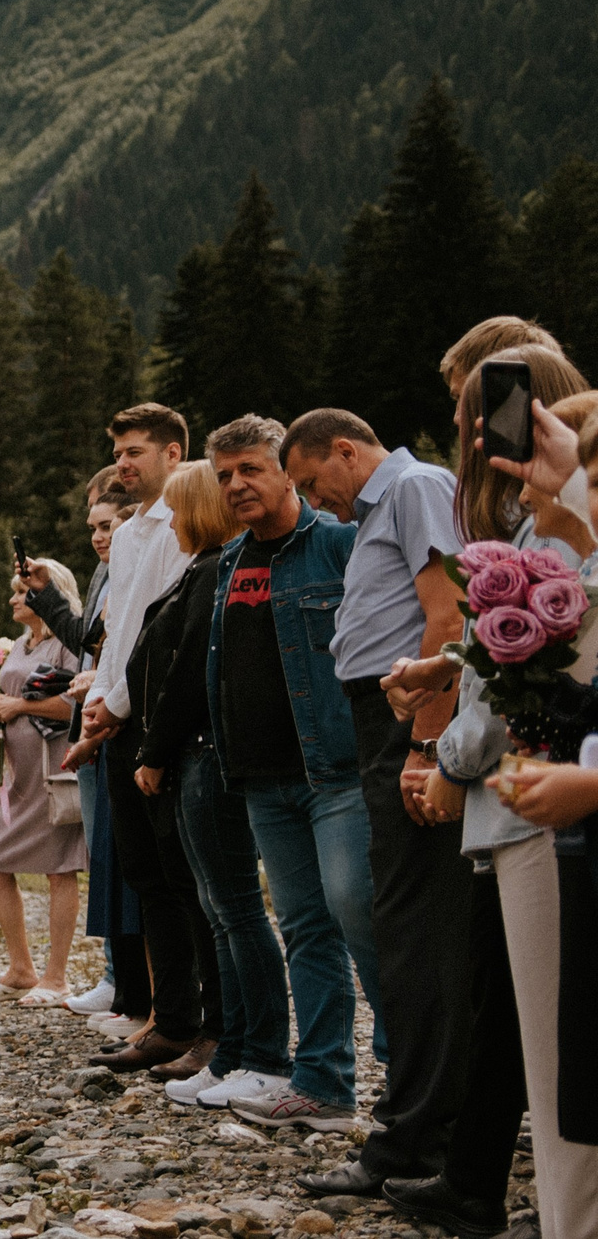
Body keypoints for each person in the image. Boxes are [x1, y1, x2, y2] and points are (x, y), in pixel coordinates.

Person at [410, 354, 598, 1237]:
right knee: (545, 1037)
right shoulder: (545, 529)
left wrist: (453, 759)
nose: (477, 436)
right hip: (543, 801)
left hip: (552, 809)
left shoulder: (556, 537)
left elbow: (534, 673)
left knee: (561, 1049)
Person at [279, 395, 483, 1201]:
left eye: (310, 478)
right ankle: (424, 1120)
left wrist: (427, 747)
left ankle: (418, 1134)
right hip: (386, 717)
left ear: (344, 450)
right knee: (406, 924)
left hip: (412, 722)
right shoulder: (379, 511)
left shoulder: (411, 488)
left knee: (413, 926)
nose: (315, 497)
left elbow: (448, 615)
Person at [199, 415, 375, 1134]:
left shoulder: (338, 542)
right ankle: (326, 1085)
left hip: (334, 770)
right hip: (261, 779)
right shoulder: (231, 560)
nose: (236, 486)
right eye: (224, 476)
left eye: (250, 469)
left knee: (361, 916)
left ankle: (418, 1086)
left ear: (285, 470)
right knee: (304, 927)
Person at [132, 461, 291, 1110]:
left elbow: (188, 670)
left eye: (177, 508)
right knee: (220, 909)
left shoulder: (212, 573)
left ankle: (250, 1047)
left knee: (231, 910)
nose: (170, 521)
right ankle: (232, 1048)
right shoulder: (204, 571)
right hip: (193, 753)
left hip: (200, 752)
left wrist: (153, 749)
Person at [78, 405, 208, 1059]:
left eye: (135, 452)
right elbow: (120, 633)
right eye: (118, 452)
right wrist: (98, 706)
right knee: (146, 876)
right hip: (122, 721)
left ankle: (205, 1025)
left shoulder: (187, 525)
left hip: (163, 720)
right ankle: (171, 1019)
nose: (123, 465)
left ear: (173, 453)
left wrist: (115, 707)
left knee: (184, 878)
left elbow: (165, 639)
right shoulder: (128, 536)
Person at [29, 474, 145, 1024]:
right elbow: (85, 638)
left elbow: (114, 645)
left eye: (107, 524)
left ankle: (130, 985)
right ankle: (115, 976)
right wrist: (44, 596)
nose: (99, 537)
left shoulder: (137, 562)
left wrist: (96, 678)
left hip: (116, 722)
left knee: (123, 857)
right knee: (105, 856)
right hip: (95, 720)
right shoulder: (104, 569)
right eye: (92, 527)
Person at [0, 559, 86, 1006]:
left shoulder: (65, 644)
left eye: (22, 593)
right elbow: (15, 695)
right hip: (16, 777)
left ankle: (56, 977)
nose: (14, 599)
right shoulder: (21, 644)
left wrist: (19, 707)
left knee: (59, 869)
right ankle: (21, 967)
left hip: (51, 767)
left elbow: (75, 702)